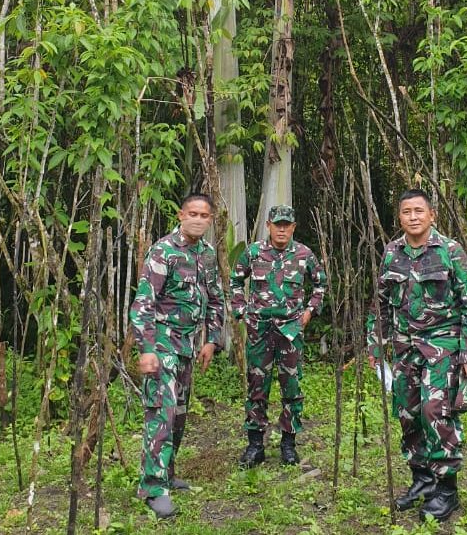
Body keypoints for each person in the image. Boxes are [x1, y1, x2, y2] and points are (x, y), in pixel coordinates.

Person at [367, 189, 467, 522]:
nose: (413, 217)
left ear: (432, 215)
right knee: (408, 412)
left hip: (442, 346)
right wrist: (376, 345)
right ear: (399, 217)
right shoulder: (392, 252)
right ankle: (422, 480)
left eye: (419, 211)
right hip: (405, 348)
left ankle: (447, 490)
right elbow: (381, 303)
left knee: (436, 411)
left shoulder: (450, 251)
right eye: (407, 212)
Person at [130, 193, 224, 519]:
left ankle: (168, 474)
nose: (198, 219)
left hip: (188, 348)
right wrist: (146, 349)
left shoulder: (208, 255)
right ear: (181, 215)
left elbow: (215, 299)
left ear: (210, 220)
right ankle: (154, 488)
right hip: (162, 347)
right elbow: (143, 303)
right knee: (162, 414)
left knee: (180, 416)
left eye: (204, 215)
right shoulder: (164, 251)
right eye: (192, 213)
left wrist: (211, 340)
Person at [230, 204, 327, 468]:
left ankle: (288, 444)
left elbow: (321, 284)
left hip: (290, 332)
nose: (282, 229)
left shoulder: (304, 254)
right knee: (256, 388)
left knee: (292, 389)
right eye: (277, 224)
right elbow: (235, 281)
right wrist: (241, 312)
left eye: (287, 225)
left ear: (293, 227)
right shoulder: (253, 253)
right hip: (260, 331)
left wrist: (309, 312)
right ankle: (255, 445)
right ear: (269, 226)